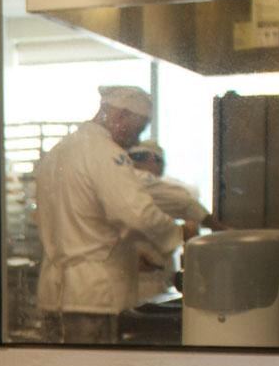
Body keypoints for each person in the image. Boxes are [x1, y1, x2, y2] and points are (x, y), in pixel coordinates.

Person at [32, 84, 192, 342]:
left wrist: (129, 252)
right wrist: (177, 235)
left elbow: (79, 222)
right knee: (93, 365)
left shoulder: (57, 153)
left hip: (53, 294)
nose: (137, 141)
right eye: (138, 130)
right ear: (122, 115)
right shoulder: (105, 153)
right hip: (95, 297)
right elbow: (137, 213)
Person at [123, 140, 221, 303]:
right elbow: (185, 203)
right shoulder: (144, 180)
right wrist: (221, 228)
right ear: (151, 159)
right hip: (146, 282)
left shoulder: (119, 180)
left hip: (127, 277)